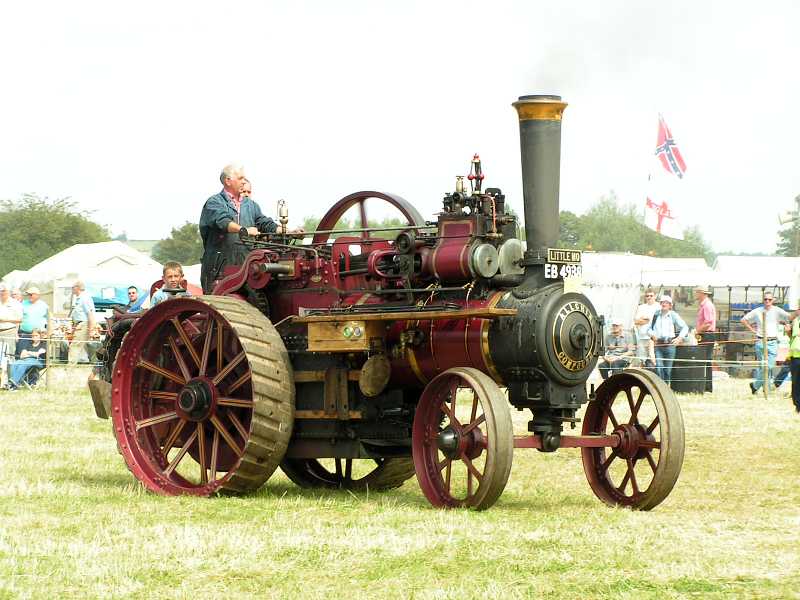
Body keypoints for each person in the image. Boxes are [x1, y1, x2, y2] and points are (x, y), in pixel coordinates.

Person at [199, 164, 279, 294]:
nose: (243, 181)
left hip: (246, 265)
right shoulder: (214, 202)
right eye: (240, 178)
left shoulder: (251, 205)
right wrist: (243, 230)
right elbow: (222, 221)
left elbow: (263, 222)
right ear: (228, 181)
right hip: (219, 268)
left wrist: (282, 229)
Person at [741, 291, 791, 394]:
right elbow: (744, 320)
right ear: (763, 300)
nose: (767, 301)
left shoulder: (777, 311)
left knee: (769, 366)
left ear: (773, 301)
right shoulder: (757, 311)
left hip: (772, 342)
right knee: (762, 367)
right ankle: (766, 389)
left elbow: (789, 317)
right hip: (760, 341)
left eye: (769, 299)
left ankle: (755, 386)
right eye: (765, 299)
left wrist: (787, 324)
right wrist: (752, 330)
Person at [647, 295, 689, 385]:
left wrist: (679, 338)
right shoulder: (656, 314)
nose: (664, 304)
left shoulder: (673, 315)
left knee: (667, 370)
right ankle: (660, 389)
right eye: (662, 302)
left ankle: (666, 388)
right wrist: (652, 335)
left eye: (666, 303)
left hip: (670, 345)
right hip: (658, 345)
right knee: (659, 367)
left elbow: (685, 327)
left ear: (670, 305)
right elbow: (648, 329)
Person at [68, 280, 97, 364]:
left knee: (75, 345)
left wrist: (91, 329)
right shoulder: (80, 298)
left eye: (73, 287)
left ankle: (70, 366)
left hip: (84, 324)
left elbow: (90, 314)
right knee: (87, 345)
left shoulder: (84, 298)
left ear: (77, 288)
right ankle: (95, 363)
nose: (72, 289)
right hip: (80, 324)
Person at [694, 287, 716, 393]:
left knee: (706, 360)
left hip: (706, 335)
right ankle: (706, 385)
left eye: (697, 292)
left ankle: (707, 386)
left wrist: (697, 331)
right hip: (705, 334)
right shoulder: (705, 304)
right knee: (705, 360)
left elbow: (708, 323)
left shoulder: (707, 305)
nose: (696, 294)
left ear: (701, 293)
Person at [0, 284, 22, 385]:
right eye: (0, 291)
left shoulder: (15, 304)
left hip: (9, 331)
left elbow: (19, 319)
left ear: (8, 292)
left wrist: (4, 320)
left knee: (9, 356)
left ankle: (11, 381)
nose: (1, 293)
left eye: (3, 291)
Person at [633, 288, 658, 368]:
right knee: (642, 360)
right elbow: (636, 322)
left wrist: (644, 320)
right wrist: (645, 320)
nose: (649, 297)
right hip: (642, 337)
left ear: (655, 296)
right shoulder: (641, 307)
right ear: (645, 297)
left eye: (651, 295)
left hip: (654, 338)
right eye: (647, 296)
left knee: (653, 360)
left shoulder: (659, 307)